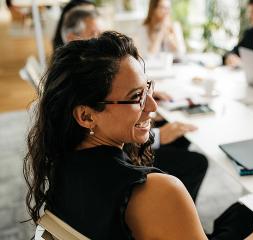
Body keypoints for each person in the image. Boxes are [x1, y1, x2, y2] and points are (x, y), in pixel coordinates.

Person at [24, 31, 253, 240]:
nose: (153, 106)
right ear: (86, 115)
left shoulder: (59, 159)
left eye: (148, 88)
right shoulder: (157, 192)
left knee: (241, 211)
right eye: (136, 97)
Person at [59, 8, 208, 201]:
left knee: (182, 138)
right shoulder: (143, 188)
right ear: (86, 116)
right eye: (95, 35)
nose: (102, 42)